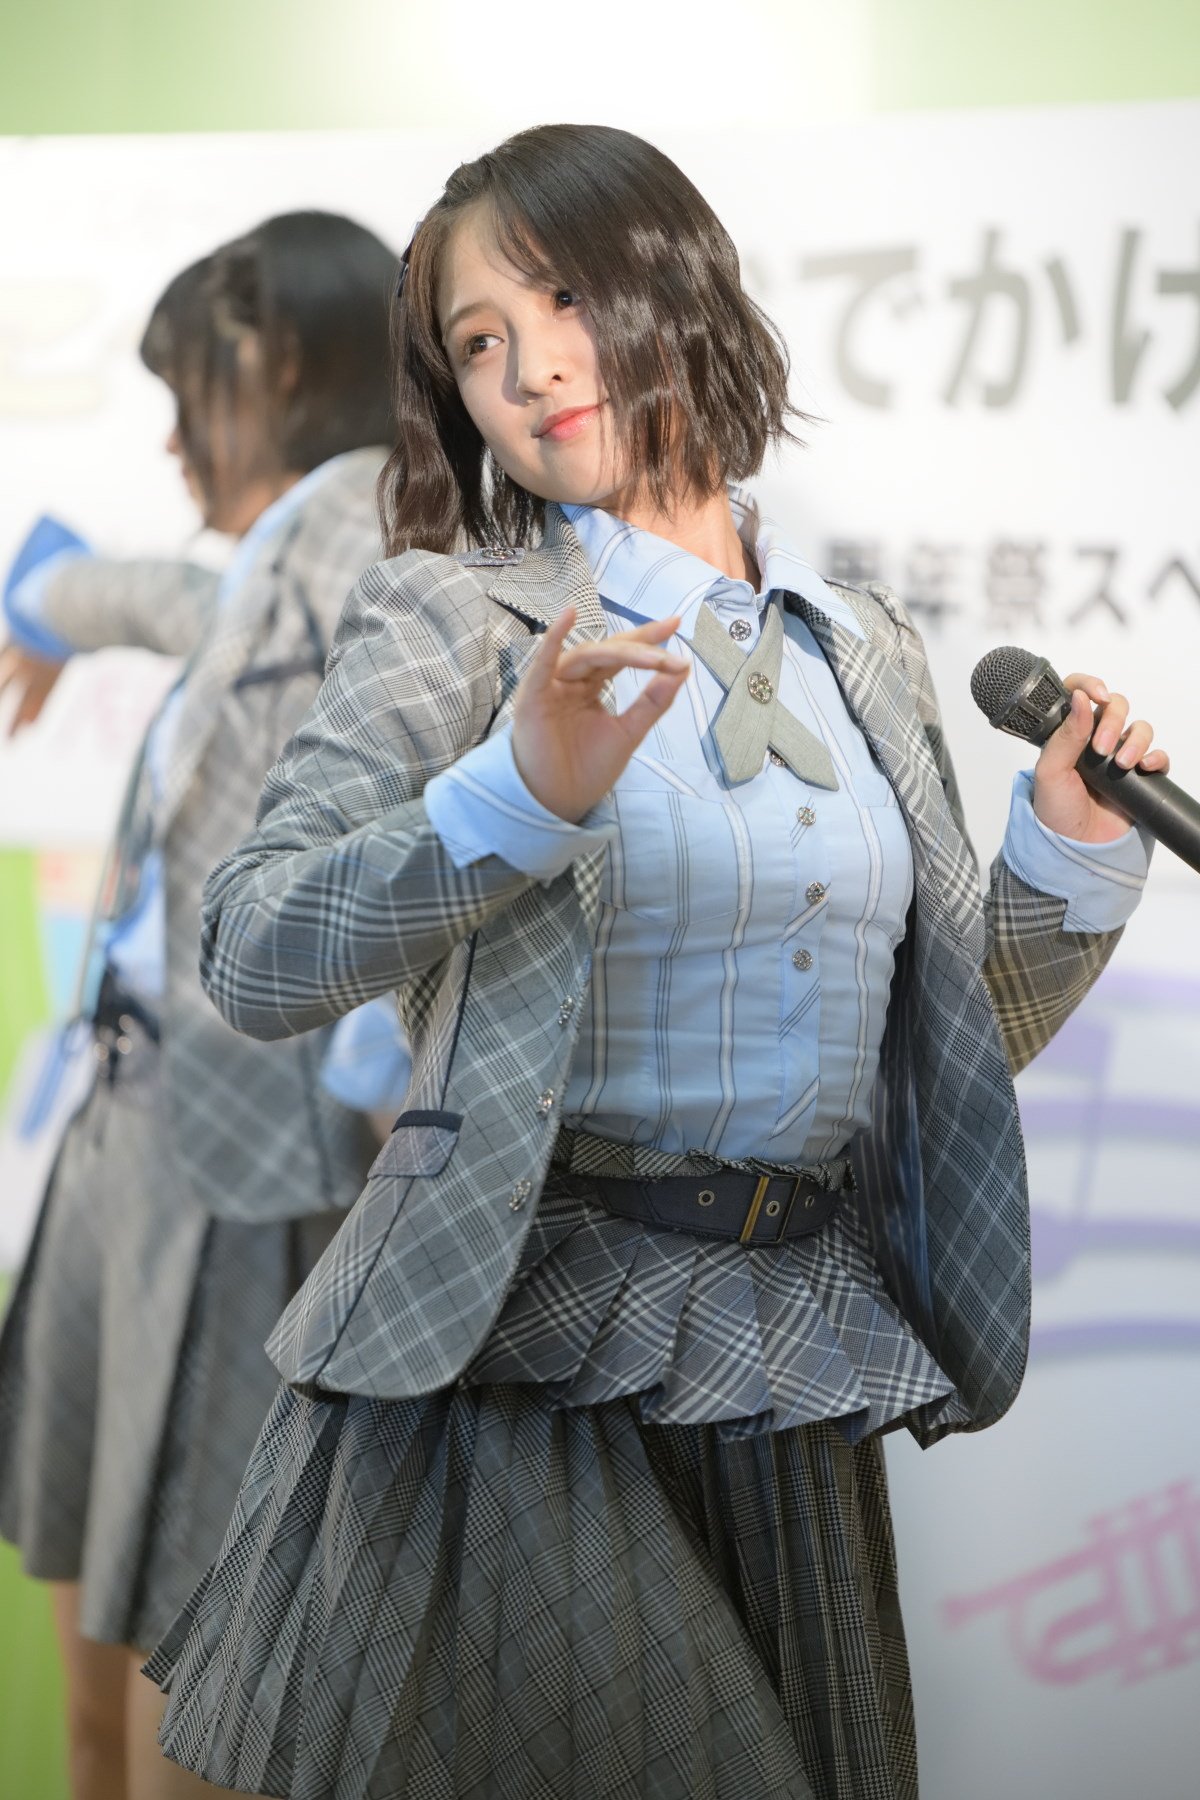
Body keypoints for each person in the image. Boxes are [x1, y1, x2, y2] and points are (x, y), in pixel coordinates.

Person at [147, 128, 1166, 1800]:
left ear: (678, 284)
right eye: (478, 341)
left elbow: (945, 1053)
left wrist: (1067, 850)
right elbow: (253, 949)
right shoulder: (455, 621)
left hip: (784, 1357)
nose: (530, 367)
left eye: (561, 297)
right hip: (518, 1351)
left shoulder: (864, 653)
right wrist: (514, 794)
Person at [0, 211, 402, 1800]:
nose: (173, 438)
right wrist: (49, 598)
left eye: (190, 393)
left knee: (196, 1702)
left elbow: (190, 602)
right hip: (133, 1135)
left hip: (241, 1167)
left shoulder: (370, 536)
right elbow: (182, 600)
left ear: (280, 364)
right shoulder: (284, 555)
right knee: (102, 1678)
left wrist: (50, 587)